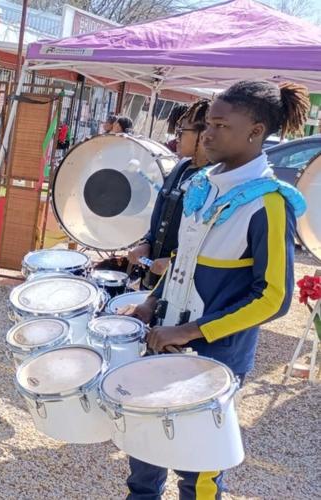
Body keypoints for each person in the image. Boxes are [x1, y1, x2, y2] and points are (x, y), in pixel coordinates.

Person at [124, 80, 309, 499]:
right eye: (208, 123)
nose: (207, 134)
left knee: (199, 467)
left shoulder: (268, 203)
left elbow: (274, 298)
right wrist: (152, 302)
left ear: (255, 131)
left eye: (221, 126)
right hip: (164, 339)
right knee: (145, 447)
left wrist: (191, 331)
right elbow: (183, 260)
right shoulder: (203, 183)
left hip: (215, 358)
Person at [127, 99, 210, 289]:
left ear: (203, 134)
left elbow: (209, 241)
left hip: (184, 284)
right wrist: (146, 243)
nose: (176, 137)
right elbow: (160, 216)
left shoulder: (215, 179)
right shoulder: (181, 166)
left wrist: (175, 261)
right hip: (153, 278)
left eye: (181, 131)